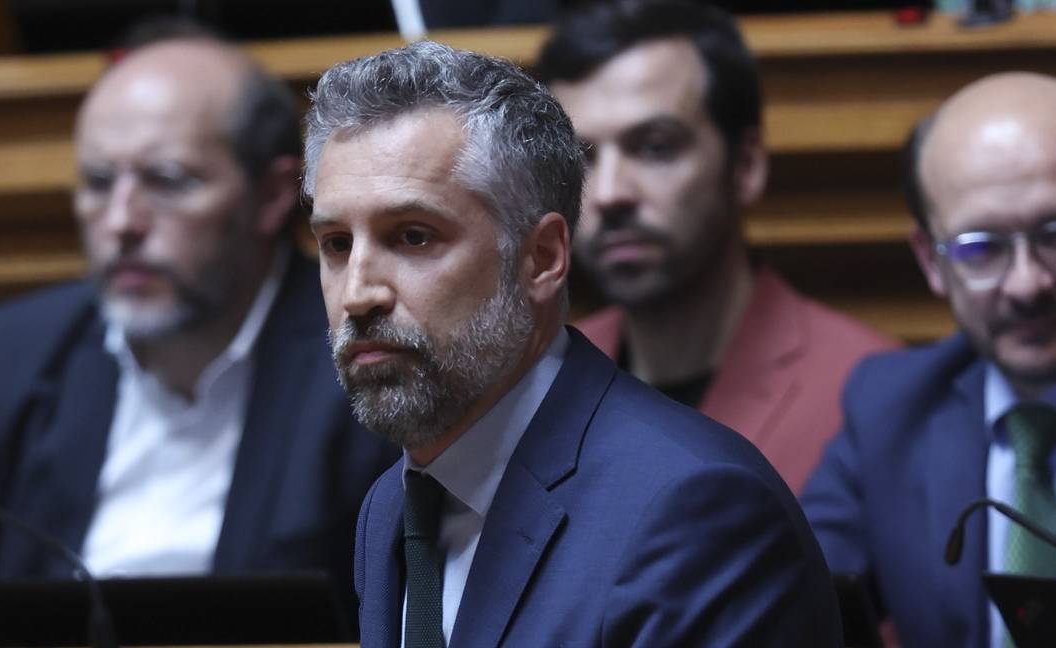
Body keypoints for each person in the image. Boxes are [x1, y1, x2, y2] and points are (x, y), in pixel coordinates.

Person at [305, 39, 841, 647]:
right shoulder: (393, 504)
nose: (357, 294)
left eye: (414, 236)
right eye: (337, 244)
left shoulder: (692, 509)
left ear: (542, 258)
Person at [0, 25, 395, 646]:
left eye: (167, 181)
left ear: (272, 195)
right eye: (99, 183)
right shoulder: (10, 355)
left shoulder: (363, 356)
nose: (122, 223)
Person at [535, 0, 897, 492]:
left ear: (745, 166)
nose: (609, 193)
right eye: (583, 160)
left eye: (656, 147)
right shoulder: (543, 378)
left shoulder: (868, 395)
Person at [802, 72, 1056, 647]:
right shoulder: (893, 405)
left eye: (1053, 233)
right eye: (981, 248)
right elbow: (790, 586)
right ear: (932, 261)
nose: (1027, 283)